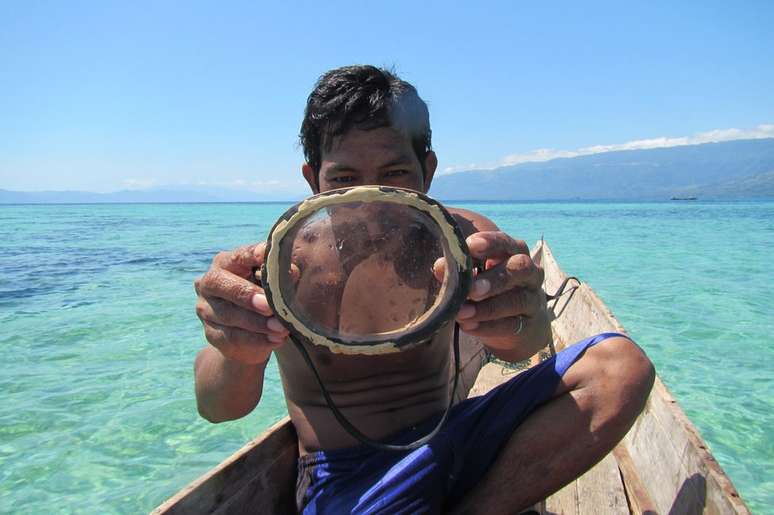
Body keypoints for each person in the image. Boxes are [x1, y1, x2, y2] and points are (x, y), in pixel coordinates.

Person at [193, 65, 655, 514]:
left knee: (620, 367)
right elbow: (218, 407)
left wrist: (517, 316)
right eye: (344, 180)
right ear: (313, 180)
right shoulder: (279, 264)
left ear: (427, 171)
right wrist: (236, 346)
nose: (372, 200)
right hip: (351, 477)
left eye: (394, 175)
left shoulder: (463, 240)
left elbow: (523, 348)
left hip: (455, 437)